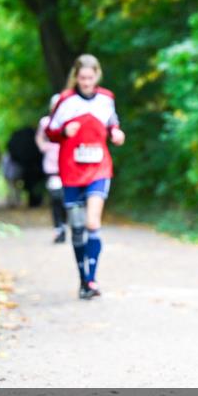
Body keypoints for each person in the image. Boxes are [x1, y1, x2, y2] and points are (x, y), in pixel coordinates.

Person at [45, 54, 125, 300]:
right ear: (76, 78)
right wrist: (62, 131)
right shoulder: (65, 101)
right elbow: (50, 131)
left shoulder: (106, 99)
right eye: (82, 78)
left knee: (93, 222)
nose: (87, 83)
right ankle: (83, 279)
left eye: (91, 78)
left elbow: (112, 121)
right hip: (71, 170)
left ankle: (92, 279)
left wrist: (116, 132)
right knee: (77, 229)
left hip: (99, 168)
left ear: (97, 76)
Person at [37, 107, 67, 243]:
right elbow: (39, 137)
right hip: (52, 167)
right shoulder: (45, 122)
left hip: (68, 167)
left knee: (67, 200)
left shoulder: (69, 121)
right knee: (56, 198)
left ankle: (65, 226)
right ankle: (58, 228)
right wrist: (44, 147)